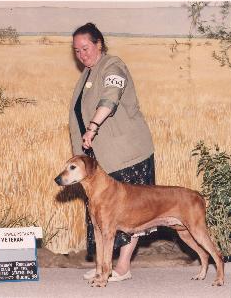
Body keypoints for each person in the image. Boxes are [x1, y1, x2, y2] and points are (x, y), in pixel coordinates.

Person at [69, 23, 155, 282]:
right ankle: (103, 266)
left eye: (86, 48)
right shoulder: (88, 72)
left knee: (132, 214)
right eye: (76, 50)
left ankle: (123, 266)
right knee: (101, 216)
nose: (82, 54)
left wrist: (93, 127)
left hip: (126, 153)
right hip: (100, 159)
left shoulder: (113, 66)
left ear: (99, 44)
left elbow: (111, 95)